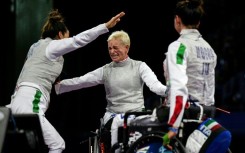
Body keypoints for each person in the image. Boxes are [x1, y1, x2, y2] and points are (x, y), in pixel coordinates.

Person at [6, 9, 125, 153]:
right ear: (60, 34)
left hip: (16, 100)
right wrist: (105, 26)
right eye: (66, 37)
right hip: (31, 101)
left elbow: (27, 74)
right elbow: (78, 40)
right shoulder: (53, 45)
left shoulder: (35, 47)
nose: (67, 40)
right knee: (58, 145)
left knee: (26, 145)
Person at [55, 30, 167, 152]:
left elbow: (155, 86)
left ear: (126, 48)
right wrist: (58, 86)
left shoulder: (140, 66)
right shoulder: (106, 70)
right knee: (117, 125)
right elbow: (81, 81)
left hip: (136, 116)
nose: (112, 52)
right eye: (109, 48)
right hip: (113, 117)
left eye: (115, 48)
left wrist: (172, 92)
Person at [162, 0, 218, 150]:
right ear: (198, 22)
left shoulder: (179, 47)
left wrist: (173, 126)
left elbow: (178, 86)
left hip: (184, 118)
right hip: (205, 116)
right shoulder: (209, 49)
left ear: (177, 20)